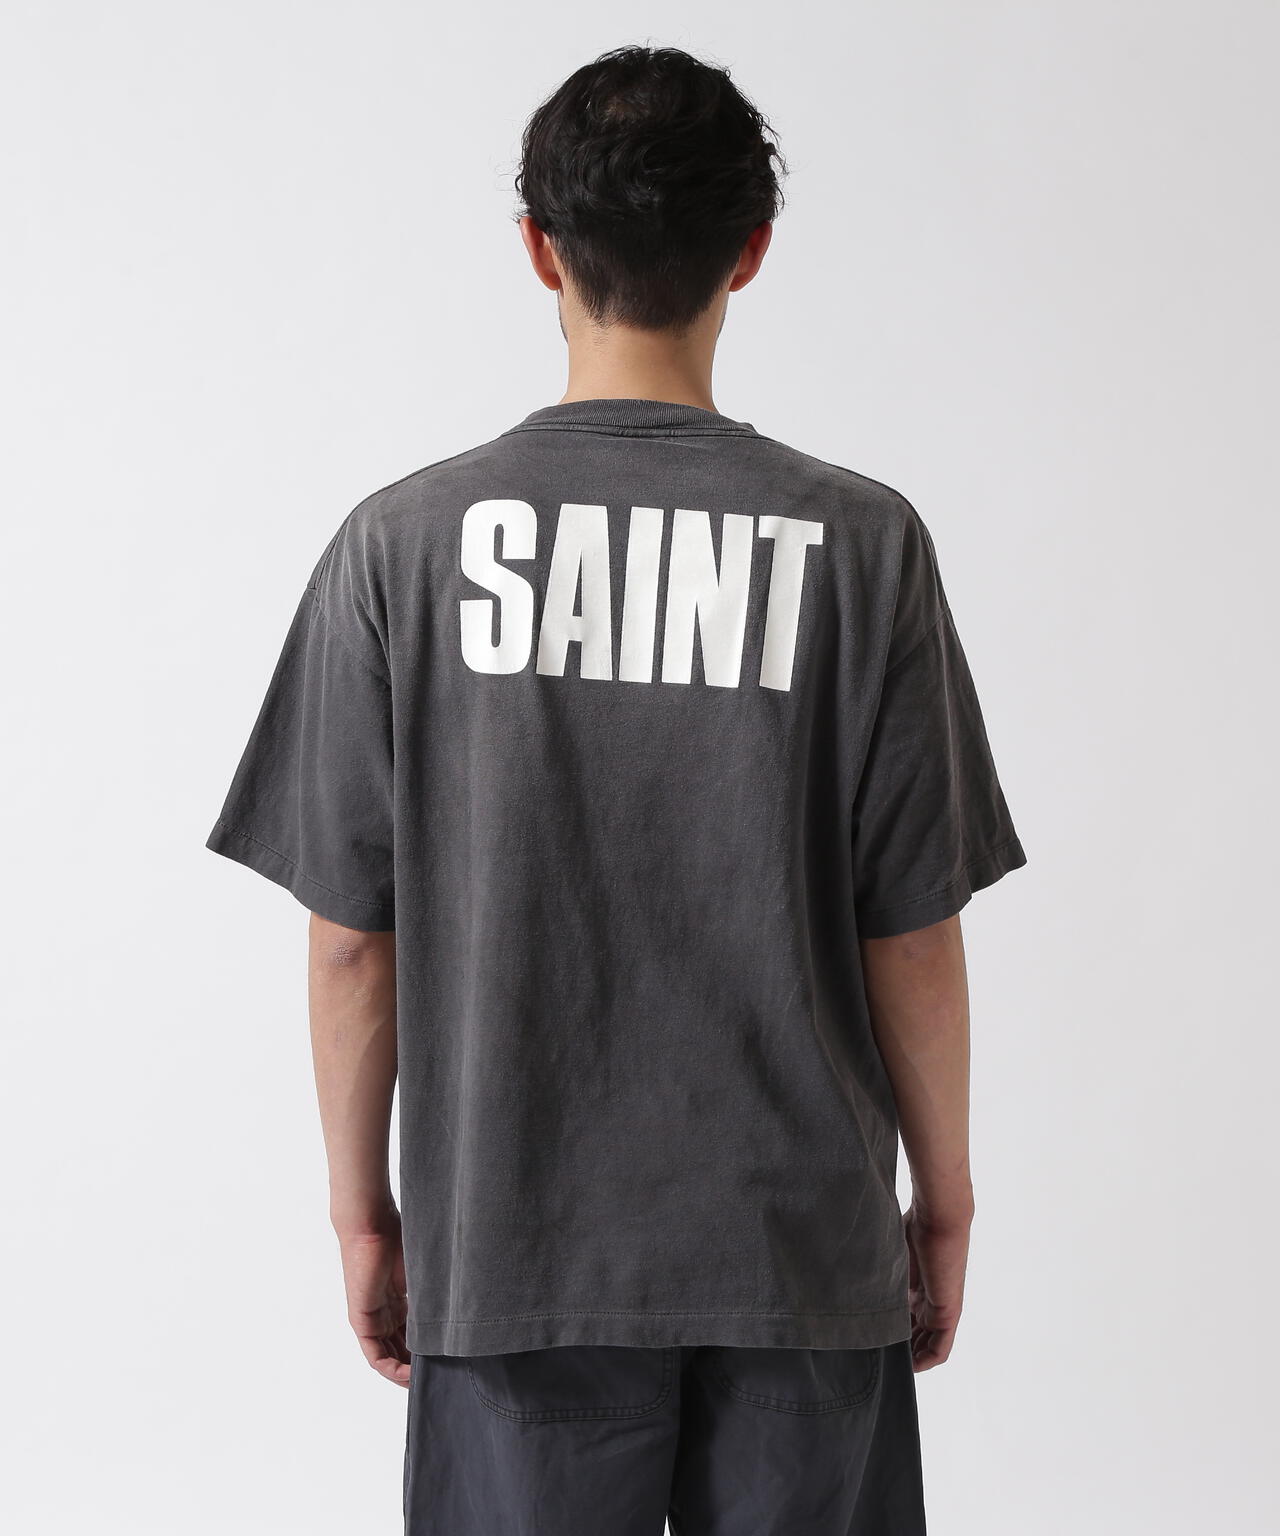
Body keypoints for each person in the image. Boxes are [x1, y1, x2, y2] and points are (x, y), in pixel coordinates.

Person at [206, 43, 1027, 1536]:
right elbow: (911, 935)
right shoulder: (866, 547)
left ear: (539, 248)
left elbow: (351, 944)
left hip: (514, 1256)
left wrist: (364, 1212)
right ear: (751, 251)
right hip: (801, 1258)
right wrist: (946, 1199)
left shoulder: (402, 548)